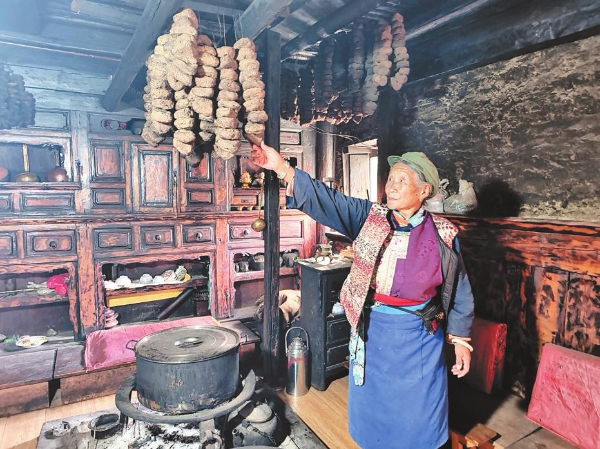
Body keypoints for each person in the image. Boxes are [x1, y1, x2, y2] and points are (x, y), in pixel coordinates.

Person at [251, 141, 475, 449]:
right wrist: (281, 168)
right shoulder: (371, 218)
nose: (392, 186)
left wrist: (461, 340)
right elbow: (331, 201)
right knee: (375, 413)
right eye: (391, 178)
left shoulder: (443, 234)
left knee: (419, 413)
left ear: (424, 191)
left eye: (402, 180)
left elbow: (460, 287)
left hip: (419, 338)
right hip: (374, 332)